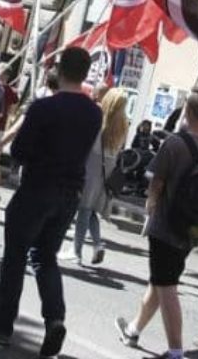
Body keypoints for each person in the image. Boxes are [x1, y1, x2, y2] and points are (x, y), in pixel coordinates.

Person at [0, 47, 102, 358]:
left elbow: (20, 151)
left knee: (15, 256)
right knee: (46, 257)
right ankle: (55, 318)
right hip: (70, 192)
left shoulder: (44, 107)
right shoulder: (94, 112)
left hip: (38, 187)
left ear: (61, 70)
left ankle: (2, 325)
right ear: (85, 74)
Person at [115, 89, 198, 359]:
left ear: (187, 111)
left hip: (166, 224)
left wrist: (150, 205)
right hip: (194, 226)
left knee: (166, 285)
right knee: (162, 280)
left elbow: (157, 181)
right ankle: (133, 329)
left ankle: (175, 351)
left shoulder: (174, 143)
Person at [67, 87, 129, 265]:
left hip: (92, 164)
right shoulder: (123, 124)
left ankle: (76, 251)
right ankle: (97, 244)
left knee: (84, 209)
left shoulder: (100, 118)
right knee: (91, 210)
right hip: (108, 169)